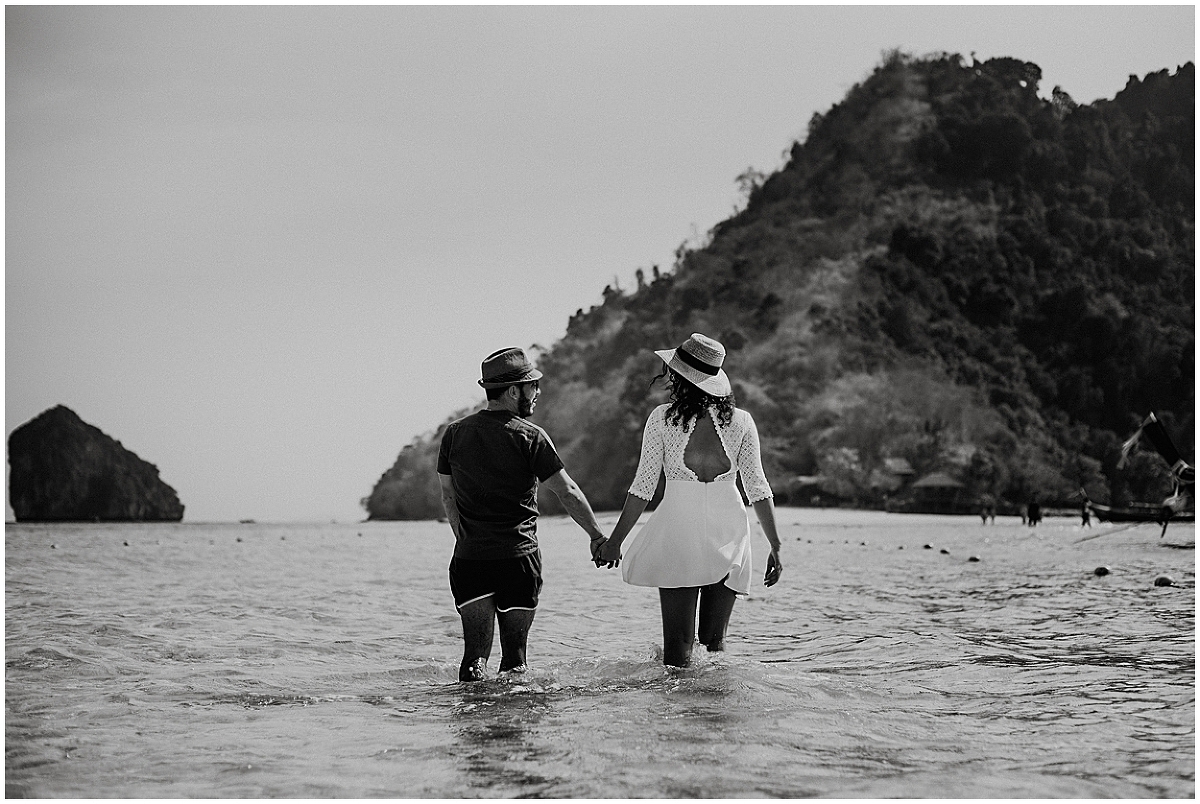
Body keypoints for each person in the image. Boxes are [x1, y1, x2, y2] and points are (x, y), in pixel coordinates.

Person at [598, 333, 783, 668]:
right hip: (729, 530)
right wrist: (775, 545)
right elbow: (758, 487)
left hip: (679, 529)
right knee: (714, 644)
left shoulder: (662, 419)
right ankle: (716, 700)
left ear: (679, 376)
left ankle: (678, 703)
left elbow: (643, 487)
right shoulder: (742, 421)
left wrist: (614, 542)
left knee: (678, 646)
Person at [438, 347, 608, 682]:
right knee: (515, 661)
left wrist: (466, 539)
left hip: (470, 560)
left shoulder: (454, 434)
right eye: (533, 386)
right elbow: (567, 492)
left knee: (474, 658)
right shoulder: (530, 436)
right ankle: (513, 714)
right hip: (518, 560)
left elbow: (448, 494)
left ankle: (471, 712)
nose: (537, 392)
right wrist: (597, 537)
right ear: (514, 391)